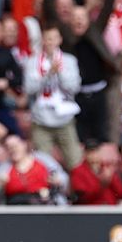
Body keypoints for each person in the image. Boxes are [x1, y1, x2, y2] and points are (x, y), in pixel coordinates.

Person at [24, 26, 83, 171]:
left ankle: (76, 192)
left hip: (65, 120)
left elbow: (74, 88)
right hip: (41, 121)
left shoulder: (70, 60)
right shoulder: (32, 62)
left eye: (53, 38)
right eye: (47, 38)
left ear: (60, 40)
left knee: (75, 161)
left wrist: (60, 73)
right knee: (43, 164)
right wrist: (48, 74)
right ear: (43, 40)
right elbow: (29, 88)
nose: (50, 42)